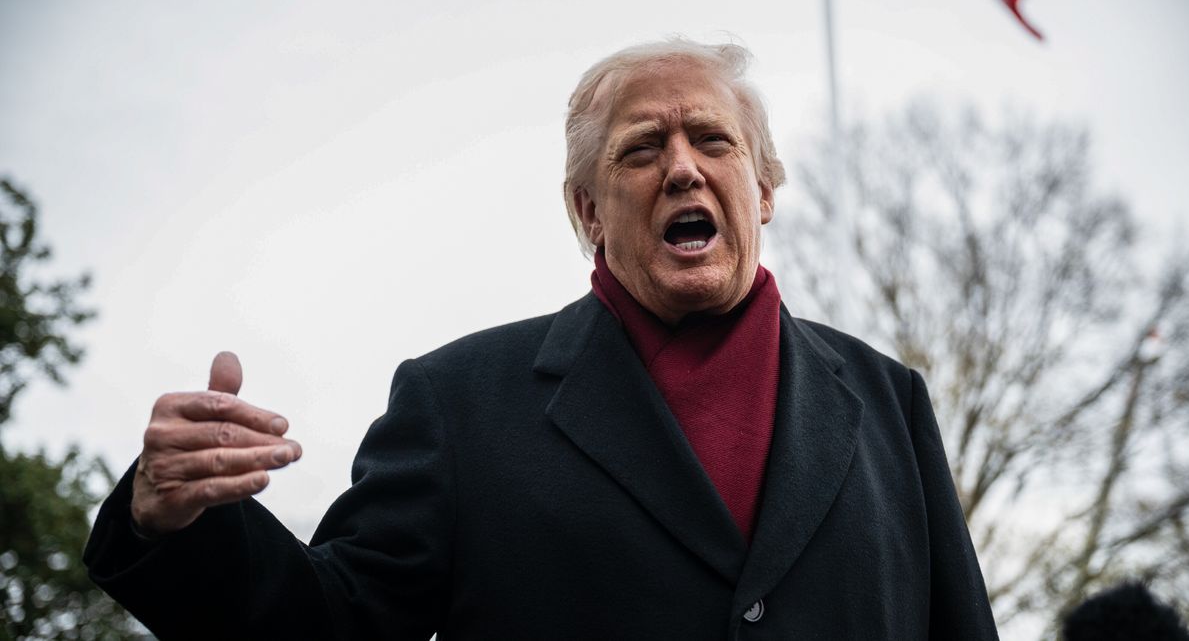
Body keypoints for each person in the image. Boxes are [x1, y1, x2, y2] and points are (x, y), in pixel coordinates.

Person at [84, 39, 999, 640]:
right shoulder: (459, 404)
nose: (682, 165)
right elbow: (334, 625)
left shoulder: (888, 403)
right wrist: (182, 523)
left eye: (712, 140)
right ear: (588, 210)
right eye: (642, 148)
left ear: (761, 192)